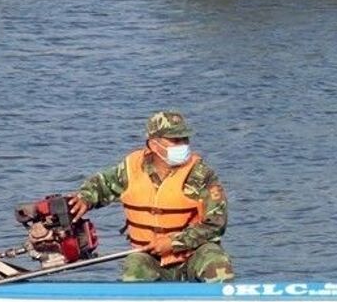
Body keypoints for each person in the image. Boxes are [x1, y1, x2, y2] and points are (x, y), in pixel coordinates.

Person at [68, 111, 234, 283]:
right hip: (151, 258)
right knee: (135, 265)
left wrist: (174, 243)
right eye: (176, 140)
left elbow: (216, 224)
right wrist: (84, 198)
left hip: (192, 255)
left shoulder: (203, 175)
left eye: (185, 139)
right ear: (154, 145)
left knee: (216, 261)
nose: (183, 145)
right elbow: (102, 184)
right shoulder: (131, 168)